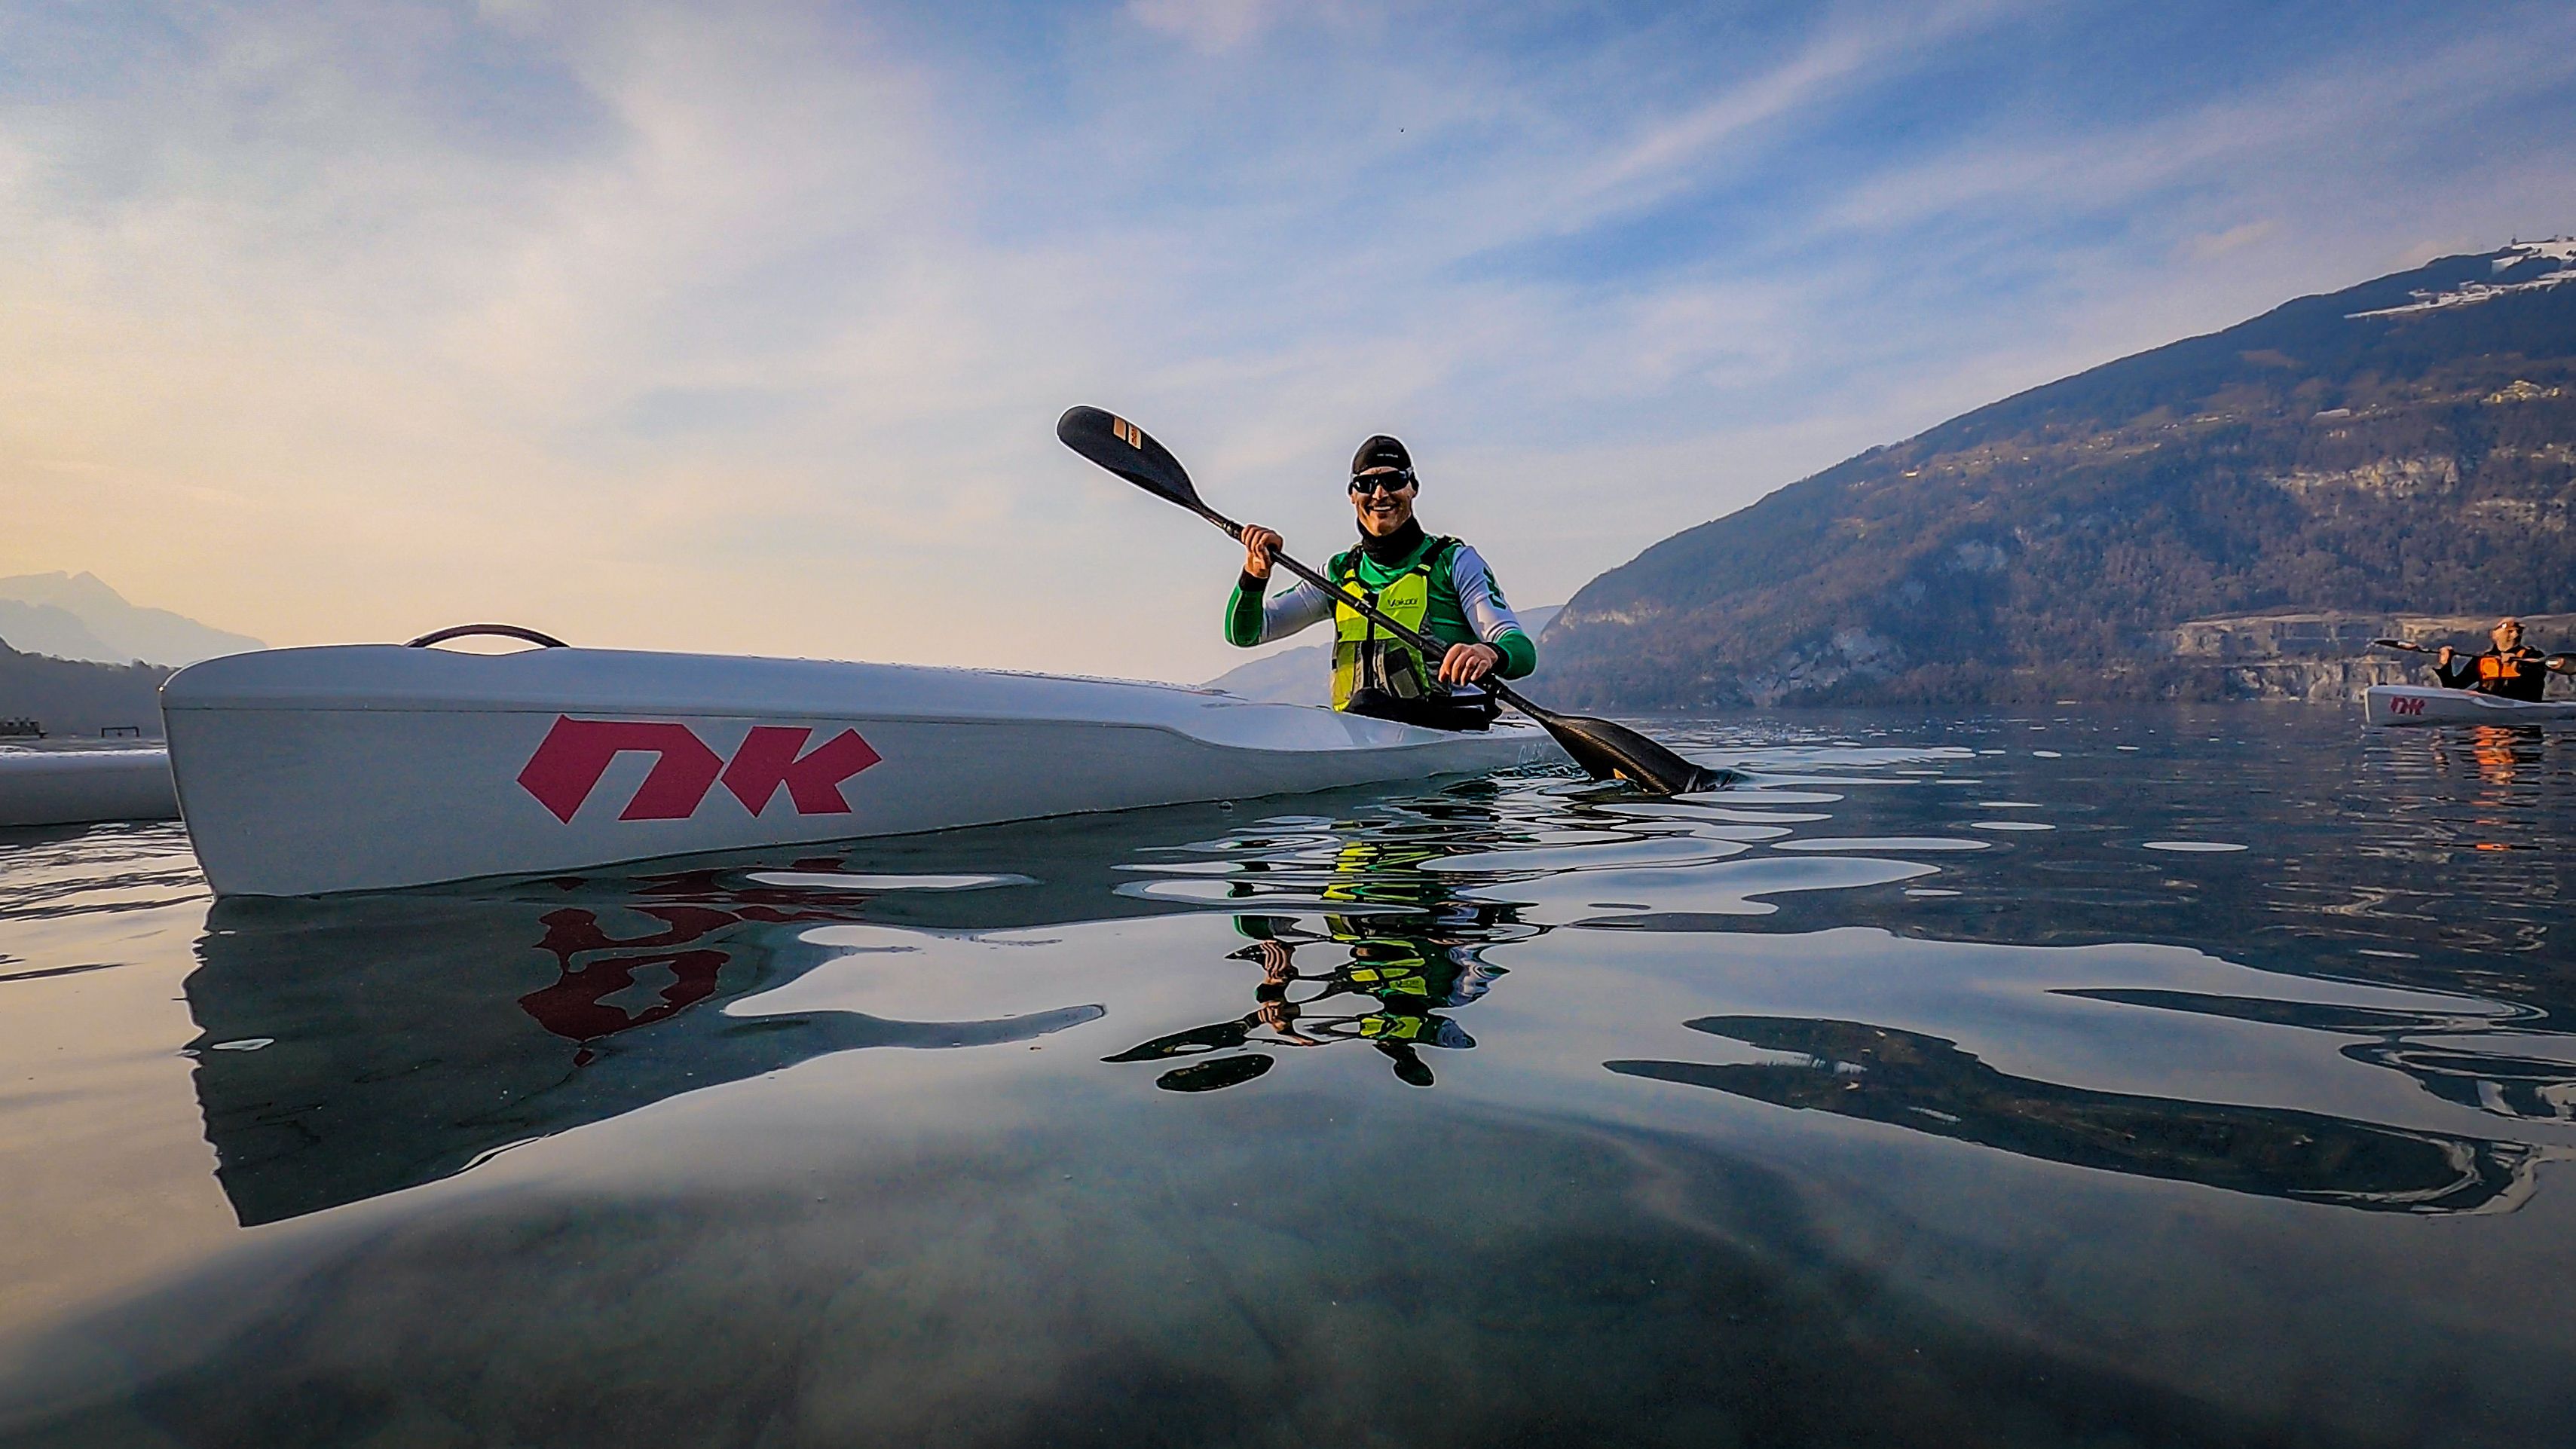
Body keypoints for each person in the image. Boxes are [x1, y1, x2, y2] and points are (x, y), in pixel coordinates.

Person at [1225, 434, 1535, 731]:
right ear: (1352, 495)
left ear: (1413, 488)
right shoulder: (1338, 574)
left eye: (1394, 481)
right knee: (1366, 704)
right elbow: (1246, 633)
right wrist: (1254, 575)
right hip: (1363, 729)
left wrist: (1489, 653)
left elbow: (1521, 652)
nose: (1379, 494)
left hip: (1449, 729)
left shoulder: (1454, 561)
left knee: (1368, 703)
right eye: (1365, 484)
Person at [2435, 618, 2574, 702]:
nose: (2516, 635)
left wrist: (2518, 662)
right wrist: (2446, 664)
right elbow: (2454, 687)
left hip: (2522, 710)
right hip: (2490, 715)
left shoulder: (2533, 655)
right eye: (2510, 631)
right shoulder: (2483, 660)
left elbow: (2537, 673)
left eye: (2518, 631)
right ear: (2495, 635)